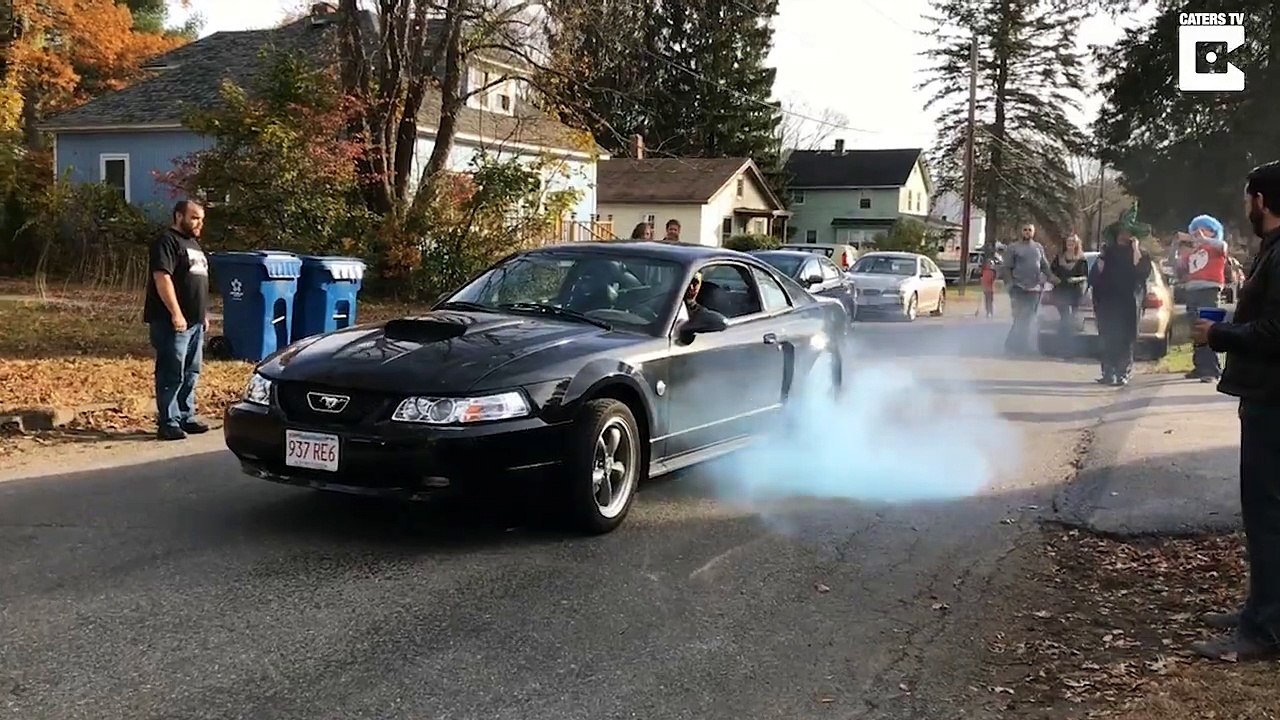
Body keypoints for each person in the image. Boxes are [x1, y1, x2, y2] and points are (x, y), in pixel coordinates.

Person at [1189, 160, 1280, 662]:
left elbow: (1275, 333)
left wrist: (1218, 334)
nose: (1246, 207)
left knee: (1267, 514)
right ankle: (1260, 610)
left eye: (1249, 199)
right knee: (1268, 514)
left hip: (1273, 400)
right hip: (1266, 395)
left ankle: (1264, 630)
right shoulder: (1272, 250)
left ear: (1262, 202)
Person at [143, 199, 210, 440]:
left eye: (201, 219)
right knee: (172, 371)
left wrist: (203, 315)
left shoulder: (193, 244)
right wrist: (176, 313)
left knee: (192, 370)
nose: (199, 223)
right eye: (194, 217)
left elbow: (197, 281)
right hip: (172, 321)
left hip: (195, 323)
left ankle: (185, 415)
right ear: (178, 216)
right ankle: (168, 421)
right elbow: (163, 278)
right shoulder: (167, 242)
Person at [1090, 204, 1153, 386]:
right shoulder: (1107, 252)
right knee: (1108, 336)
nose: (1124, 236)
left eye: (1128, 233)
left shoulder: (1141, 254)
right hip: (1108, 300)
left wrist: (1135, 249)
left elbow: (1141, 272)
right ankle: (1108, 372)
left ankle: (1123, 372)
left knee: (1126, 338)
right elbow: (1095, 276)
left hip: (1129, 302)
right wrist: (1101, 261)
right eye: (1122, 232)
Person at [1181, 214, 1229, 382]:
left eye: (1203, 229)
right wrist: (1177, 246)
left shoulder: (1216, 247)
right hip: (1192, 289)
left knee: (1208, 327)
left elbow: (1223, 246)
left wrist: (1204, 239)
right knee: (1196, 330)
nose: (1198, 233)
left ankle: (1212, 369)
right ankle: (1200, 366)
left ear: (1212, 231)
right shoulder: (1195, 251)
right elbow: (1179, 265)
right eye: (1195, 230)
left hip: (1210, 288)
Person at [1000, 222, 1054, 354]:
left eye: (1030, 230)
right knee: (1020, 317)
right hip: (1018, 288)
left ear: (1033, 232)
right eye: (1025, 230)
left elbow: (1044, 266)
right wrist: (1010, 284)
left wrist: (1053, 278)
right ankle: (1013, 345)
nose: (1027, 232)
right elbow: (1006, 268)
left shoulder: (1038, 248)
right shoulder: (1013, 248)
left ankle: (1018, 345)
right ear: (1021, 232)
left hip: (1034, 289)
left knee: (1028, 318)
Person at [1050, 234, 1089, 357]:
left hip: (1074, 292)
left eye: (1073, 243)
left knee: (1070, 321)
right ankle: (1061, 347)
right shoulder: (1059, 258)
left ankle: (1070, 348)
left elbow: (1085, 275)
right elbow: (1052, 271)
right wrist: (1054, 279)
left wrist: (1075, 279)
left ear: (1077, 245)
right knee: (1064, 319)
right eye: (1068, 243)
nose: (1070, 246)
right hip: (1061, 291)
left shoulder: (1081, 259)